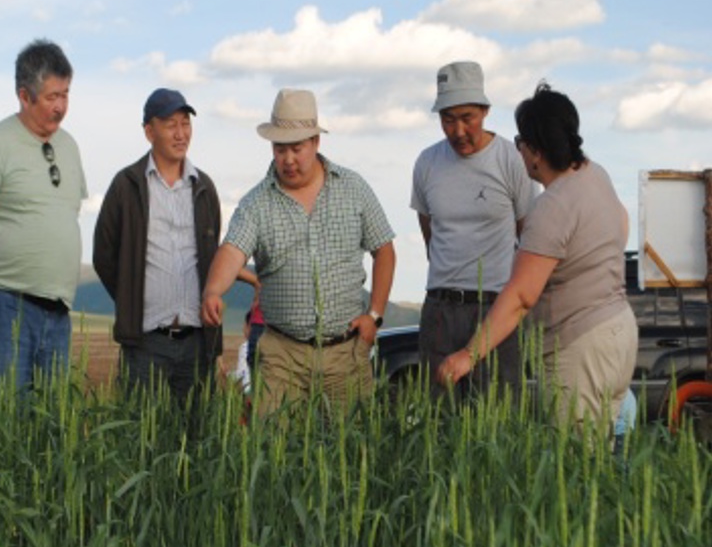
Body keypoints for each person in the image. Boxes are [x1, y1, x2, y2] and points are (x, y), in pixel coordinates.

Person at [436, 82, 637, 430]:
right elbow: (621, 223)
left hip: (580, 346)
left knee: (574, 462)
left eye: (520, 143)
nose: (518, 151)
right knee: (602, 457)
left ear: (536, 152)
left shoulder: (551, 207)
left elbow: (521, 296)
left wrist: (468, 356)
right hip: (619, 333)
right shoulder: (595, 174)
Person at [202, 88, 396, 416]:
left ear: (316, 143)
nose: (288, 159)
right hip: (281, 356)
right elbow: (232, 250)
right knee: (273, 452)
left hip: (345, 353)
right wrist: (212, 290)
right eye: (280, 149)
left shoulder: (353, 188)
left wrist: (374, 316)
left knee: (347, 451)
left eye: (297, 148)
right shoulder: (256, 202)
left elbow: (385, 250)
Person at [93, 88, 254, 403]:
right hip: (145, 341)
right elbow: (104, 254)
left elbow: (211, 257)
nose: (181, 134)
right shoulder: (126, 184)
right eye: (171, 125)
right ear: (149, 131)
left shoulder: (204, 187)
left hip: (197, 340)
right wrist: (131, 296)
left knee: (194, 439)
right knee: (141, 438)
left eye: (186, 124)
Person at [0, 40, 86, 388]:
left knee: (48, 426)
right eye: (51, 97)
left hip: (58, 310)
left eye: (65, 94)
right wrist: (1, 263)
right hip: (5, 305)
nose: (61, 107)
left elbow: (64, 216)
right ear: (24, 95)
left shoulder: (69, 146)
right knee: (1, 420)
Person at [411, 61, 534, 396]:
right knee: (437, 416)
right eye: (448, 120)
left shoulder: (511, 159)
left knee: (498, 415)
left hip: (496, 308)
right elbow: (430, 235)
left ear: (485, 111)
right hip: (440, 307)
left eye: (468, 118)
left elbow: (529, 236)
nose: (458, 130)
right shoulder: (427, 163)